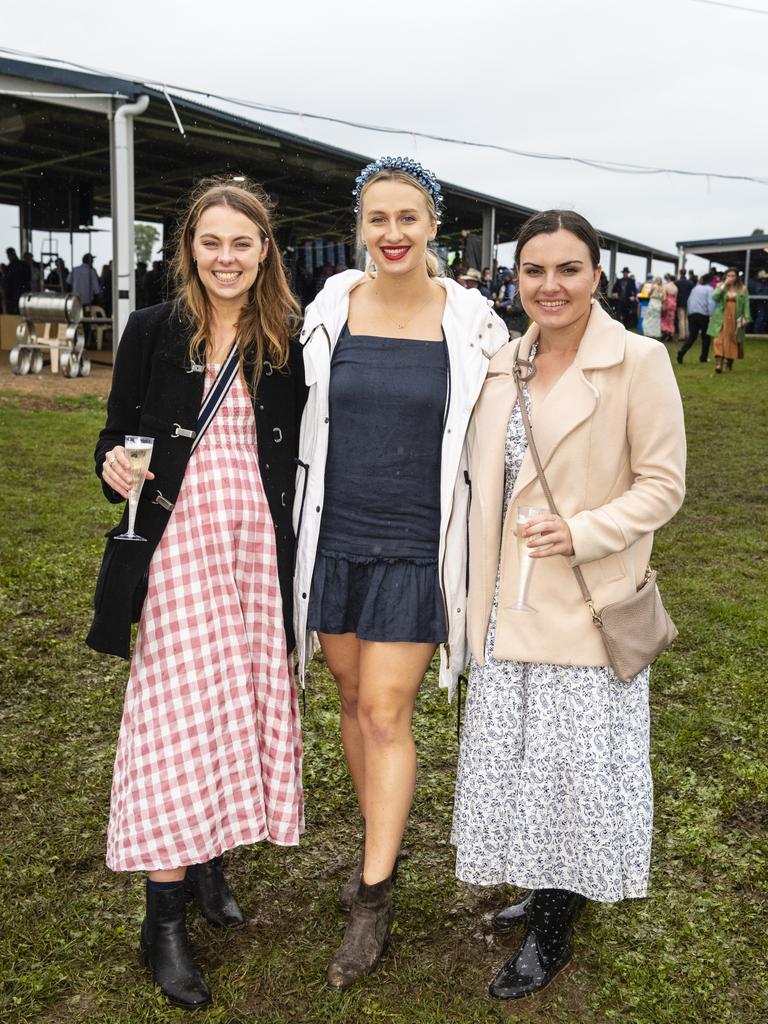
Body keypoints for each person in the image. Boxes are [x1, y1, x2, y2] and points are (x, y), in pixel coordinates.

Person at [451, 209, 686, 1001]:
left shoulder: (640, 360)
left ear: (596, 274)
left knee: (570, 770)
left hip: (582, 605)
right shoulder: (499, 364)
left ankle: (555, 925)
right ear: (514, 279)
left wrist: (584, 530)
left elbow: (663, 484)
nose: (550, 287)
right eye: (534, 271)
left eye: (569, 269)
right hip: (502, 602)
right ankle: (544, 885)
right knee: (523, 761)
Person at [86, 177, 306, 1010]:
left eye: (241, 244)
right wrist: (111, 469)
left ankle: (212, 856)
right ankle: (164, 921)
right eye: (211, 243)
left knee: (237, 704)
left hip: (255, 554)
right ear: (189, 249)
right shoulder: (151, 330)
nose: (226, 258)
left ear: (263, 251)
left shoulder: (283, 338)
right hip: (179, 550)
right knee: (178, 716)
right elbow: (115, 439)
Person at [293, 155, 508, 989]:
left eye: (408, 219)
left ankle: (374, 894)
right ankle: (378, 841)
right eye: (378, 219)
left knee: (386, 710)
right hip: (335, 539)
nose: (392, 235)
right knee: (350, 700)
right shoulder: (328, 308)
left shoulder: (473, 319)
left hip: (420, 545)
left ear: (433, 227)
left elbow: (514, 409)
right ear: (360, 228)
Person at [708, 267, 751, 373]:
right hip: (721, 317)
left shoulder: (742, 289)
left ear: (737, 277)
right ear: (725, 276)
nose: (730, 278)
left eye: (733, 276)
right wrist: (724, 285)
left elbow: (746, 304)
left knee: (732, 340)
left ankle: (729, 364)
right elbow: (714, 297)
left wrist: (746, 317)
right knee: (718, 339)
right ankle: (719, 364)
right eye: (728, 276)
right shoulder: (721, 287)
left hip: (735, 318)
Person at [678, 272, 715, 363]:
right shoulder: (710, 289)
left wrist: (690, 313)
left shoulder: (695, 288)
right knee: (706, 337)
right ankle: (703, 357)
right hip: (703, 315)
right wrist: (711, 314)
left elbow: (690, 300)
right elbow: (711, 303)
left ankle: (682, 351)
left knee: (692, 336)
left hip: (692, 314)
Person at [4, 247, 31, 313]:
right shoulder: (24, 264)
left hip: (14, 295)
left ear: (9, 255)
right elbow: (29, 278)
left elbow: (8, 282)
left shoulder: (9, 267)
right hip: (25, 293)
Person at [676, 267, 693, 340]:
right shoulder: (690, 282)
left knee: (681, 319)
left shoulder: (677, 282)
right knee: (687, 319)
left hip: (680, 302)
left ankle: (682, 336)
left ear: (680, 273)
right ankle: (687, 334)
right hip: (688, 302)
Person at [661, 273, 678, 341]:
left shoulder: (666, 286)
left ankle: (665, 331)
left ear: (669, 279)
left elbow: (664, 297)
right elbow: (676, 298)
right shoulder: (676, 287)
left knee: (665, 318)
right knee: (671, 319)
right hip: (673, 304)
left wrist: (663, 304)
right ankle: (670, 333)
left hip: (667, 303)